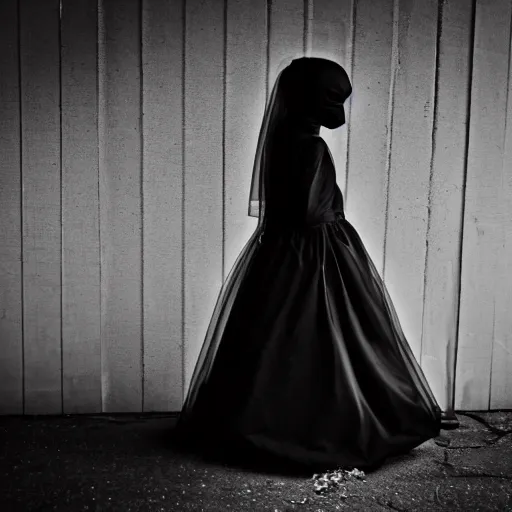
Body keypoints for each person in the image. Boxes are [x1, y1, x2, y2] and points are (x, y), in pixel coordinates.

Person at [174, 57, 442, 472]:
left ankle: (260, 419)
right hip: (318, 251)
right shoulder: (311, 146)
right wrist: (335, 220)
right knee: (331, 337)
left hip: (279, 252)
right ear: (312, 100)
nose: (339, 112)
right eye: (332, 99)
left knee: (275, 340)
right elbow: (310, 213)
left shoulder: (282, 135)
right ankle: (328, 424)